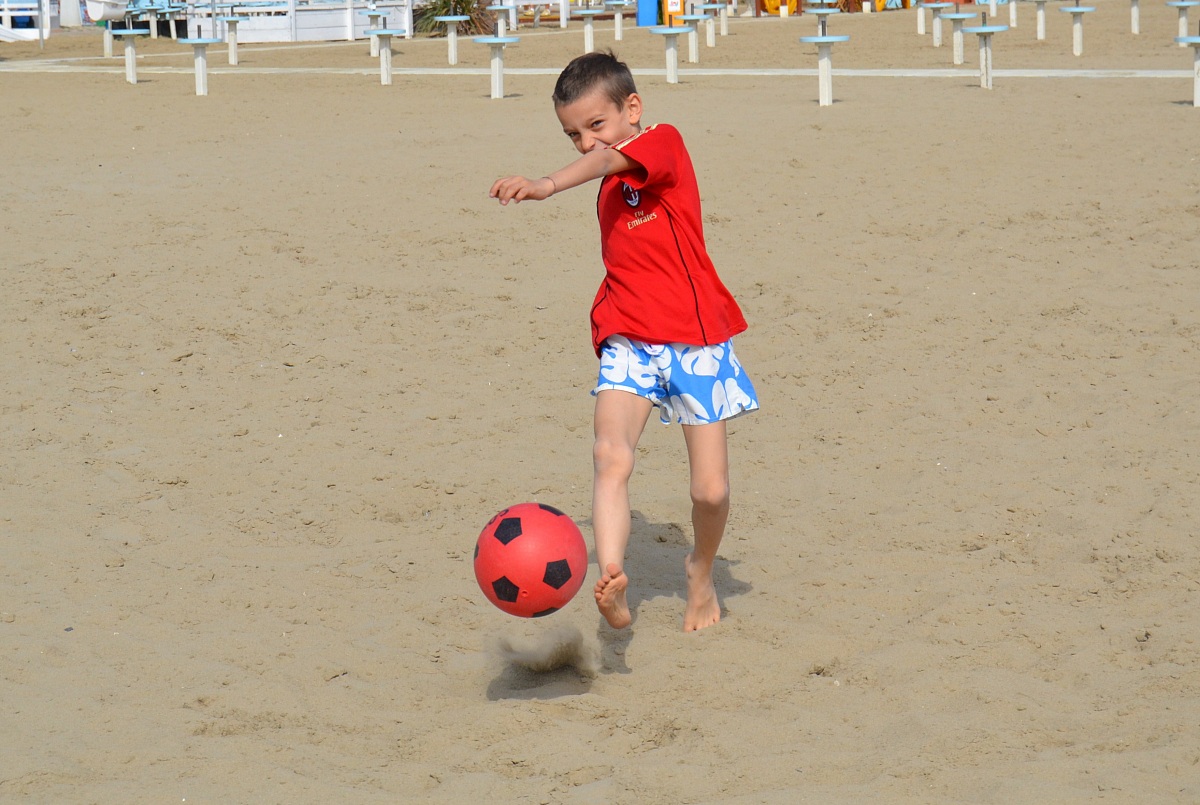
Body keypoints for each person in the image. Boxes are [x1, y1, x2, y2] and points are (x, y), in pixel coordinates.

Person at [489, 51, 759, 633]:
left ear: (632, 109)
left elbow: (612, 158)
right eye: (572, 135)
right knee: (610, 456)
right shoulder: (609, 185)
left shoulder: (663, 142)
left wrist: (545, 184)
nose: (586, 144)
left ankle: (700, 571)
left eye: (595, 125)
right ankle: (612, 576)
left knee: (709, 491)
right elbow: (607, 165)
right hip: (630, 338)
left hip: (696, 341)